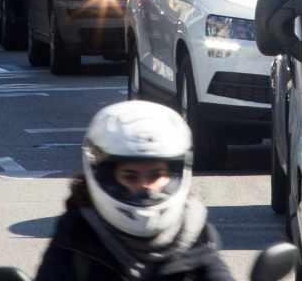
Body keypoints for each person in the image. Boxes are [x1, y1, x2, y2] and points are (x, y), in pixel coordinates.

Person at [33, 101, 232, 281]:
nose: (145, 186)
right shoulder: (77, 235)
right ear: (104, 176)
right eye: (130, 176)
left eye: (155, 175)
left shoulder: (195, 233)